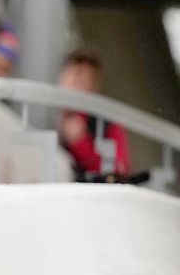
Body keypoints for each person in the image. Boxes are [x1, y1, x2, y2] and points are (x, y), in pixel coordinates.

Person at [56, 50, 132, 180]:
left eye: (87, 80)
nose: (81, 84)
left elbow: (119, 172)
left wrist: (80, 143)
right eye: (77, 75)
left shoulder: (108, 125)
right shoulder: (43, 115)